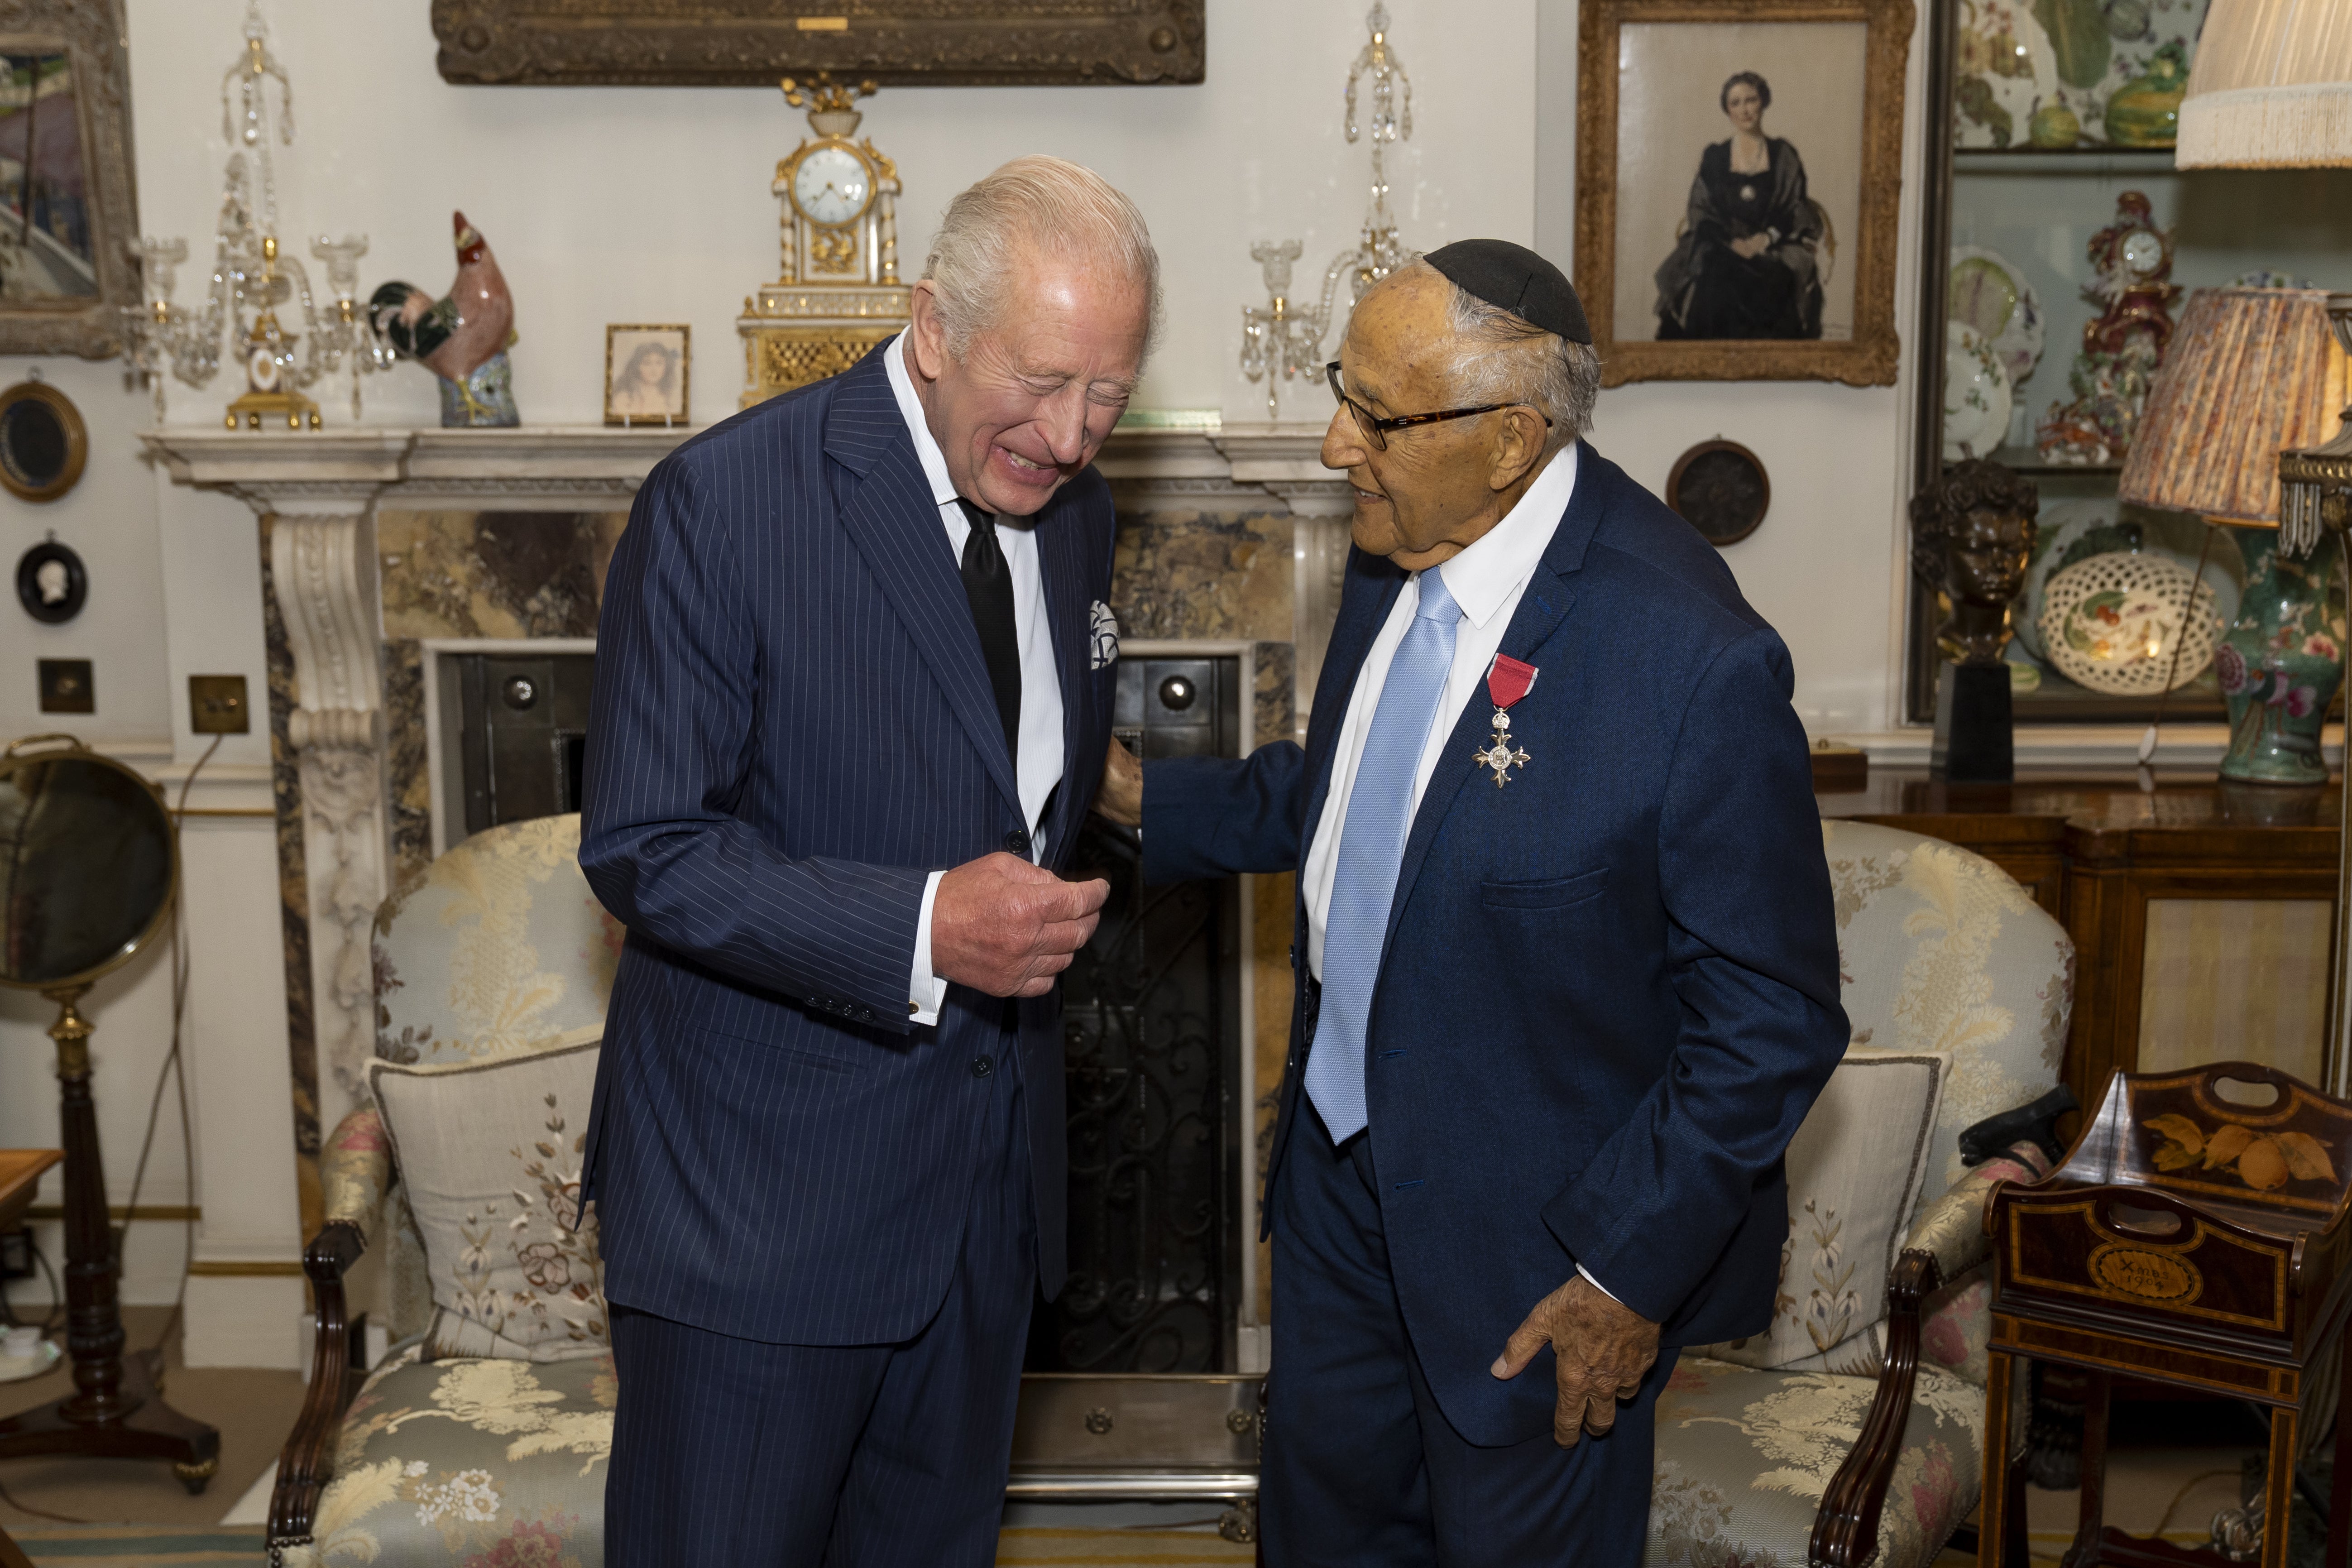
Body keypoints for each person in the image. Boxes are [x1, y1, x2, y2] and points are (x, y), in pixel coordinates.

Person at [1096, 240, 1846, 1566]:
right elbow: (1353, 798)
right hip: (1338, 1192)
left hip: (1539, 1250)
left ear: (1509, 437)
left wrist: (1623, 1275)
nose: (1335, 445)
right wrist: (1139, 798)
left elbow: (1771, 1020)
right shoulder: (1405, 549)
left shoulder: (1689, 659)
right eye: (1344, 391)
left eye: (1374, 413)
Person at [580, 156, 1158, 1567]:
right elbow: (644, 843)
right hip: (754, 1225)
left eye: (1110, 392)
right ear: (934, 323)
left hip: (976, 1219)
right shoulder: (727, 501)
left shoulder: (1074, 519)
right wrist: (920, 926)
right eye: (1041, 379)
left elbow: (1012, 774)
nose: (1074, 434)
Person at [1653, 71, 1825, 340]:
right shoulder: (1715, 157)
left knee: (1777, 278)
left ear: (1763, 103)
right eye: (1736, 103)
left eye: (1751, 100)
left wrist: (1766, 239)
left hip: (1773, 247)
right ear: (1727, 109)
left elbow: (1796, 208)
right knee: (1713, 276)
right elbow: (1700, 211)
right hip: (1722, 245)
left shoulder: (1783, 155)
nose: (1744, 110)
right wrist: (1732, 243)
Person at [609, 338, 677, 417]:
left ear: (666, 367)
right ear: (637, 367)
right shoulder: (625, 398)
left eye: (659, 363)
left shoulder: (666, 397)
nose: (654, 369)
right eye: (647, 363)